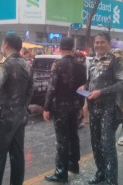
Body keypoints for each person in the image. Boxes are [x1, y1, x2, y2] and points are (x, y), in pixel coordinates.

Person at [0, 33, 33, 185]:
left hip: (3, 117)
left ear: (5, 44)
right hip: (20, 116)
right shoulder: (27, 65)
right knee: (17, 157)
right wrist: (23, 109)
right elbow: (30, 91)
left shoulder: (5, 65)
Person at [83, 32, 123, 185]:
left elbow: (122, 83)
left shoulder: (115, 60)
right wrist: (85, 87)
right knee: (95, 143)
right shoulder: (93, 61)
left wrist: (100, 92)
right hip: (94, 108)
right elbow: (90, 81)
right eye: (96, 42)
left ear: (108, 43)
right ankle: (101, 172)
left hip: (108, 109)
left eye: (102, 42)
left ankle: (111, 179)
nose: (99, 45)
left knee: (107, 145)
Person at [43, 38, 86, 183]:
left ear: (60, 48)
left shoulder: (57, 65)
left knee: (62, 139)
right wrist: (80, 106)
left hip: (60, 107)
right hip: (74, 106)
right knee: (73, 135)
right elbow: (82, 88)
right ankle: (74, 165)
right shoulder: (81, 66)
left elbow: (52, 88)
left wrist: (46, 107)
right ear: (72, 48)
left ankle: (61, 172)